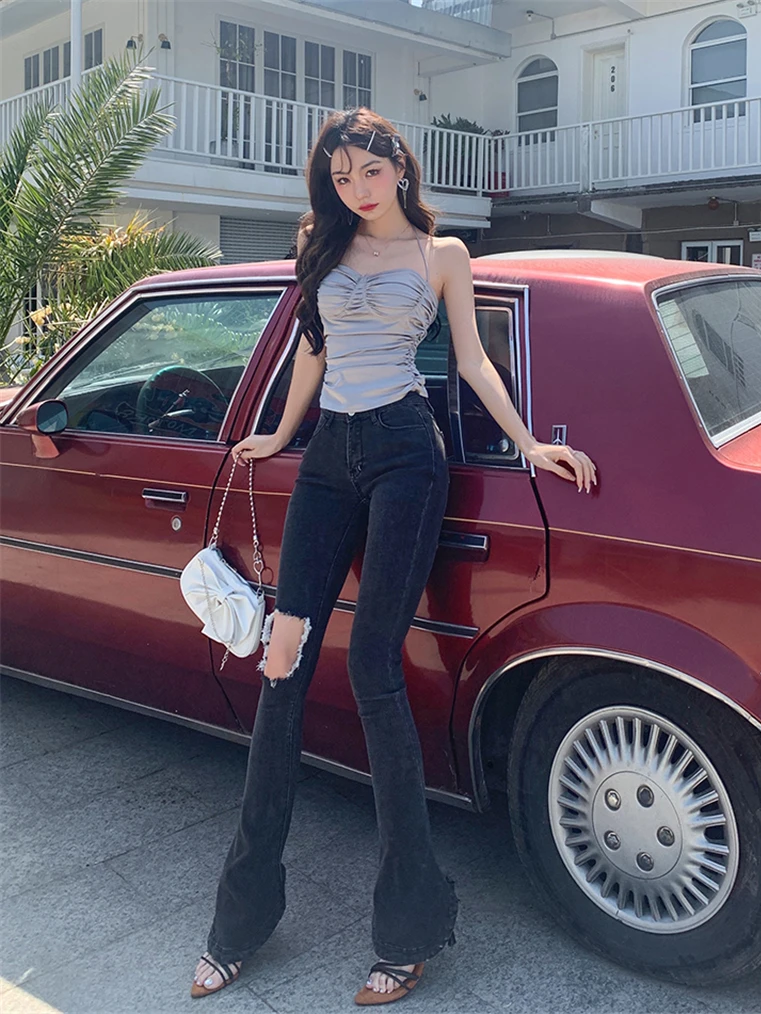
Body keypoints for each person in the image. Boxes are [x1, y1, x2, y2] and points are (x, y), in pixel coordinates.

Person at [190, 107, 597, 1006]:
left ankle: (408, 930)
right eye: (340, 177)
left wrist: (530, 444)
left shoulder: (442, 255)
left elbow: (474, 363)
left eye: (369, 171)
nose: (356, 188)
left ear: (400, 168)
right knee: (283, 662)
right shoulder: (323, 247)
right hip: (330, 457)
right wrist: (278, 434)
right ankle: (238, 922)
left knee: (375, 668)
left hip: (408, 455)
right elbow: (311, 352)